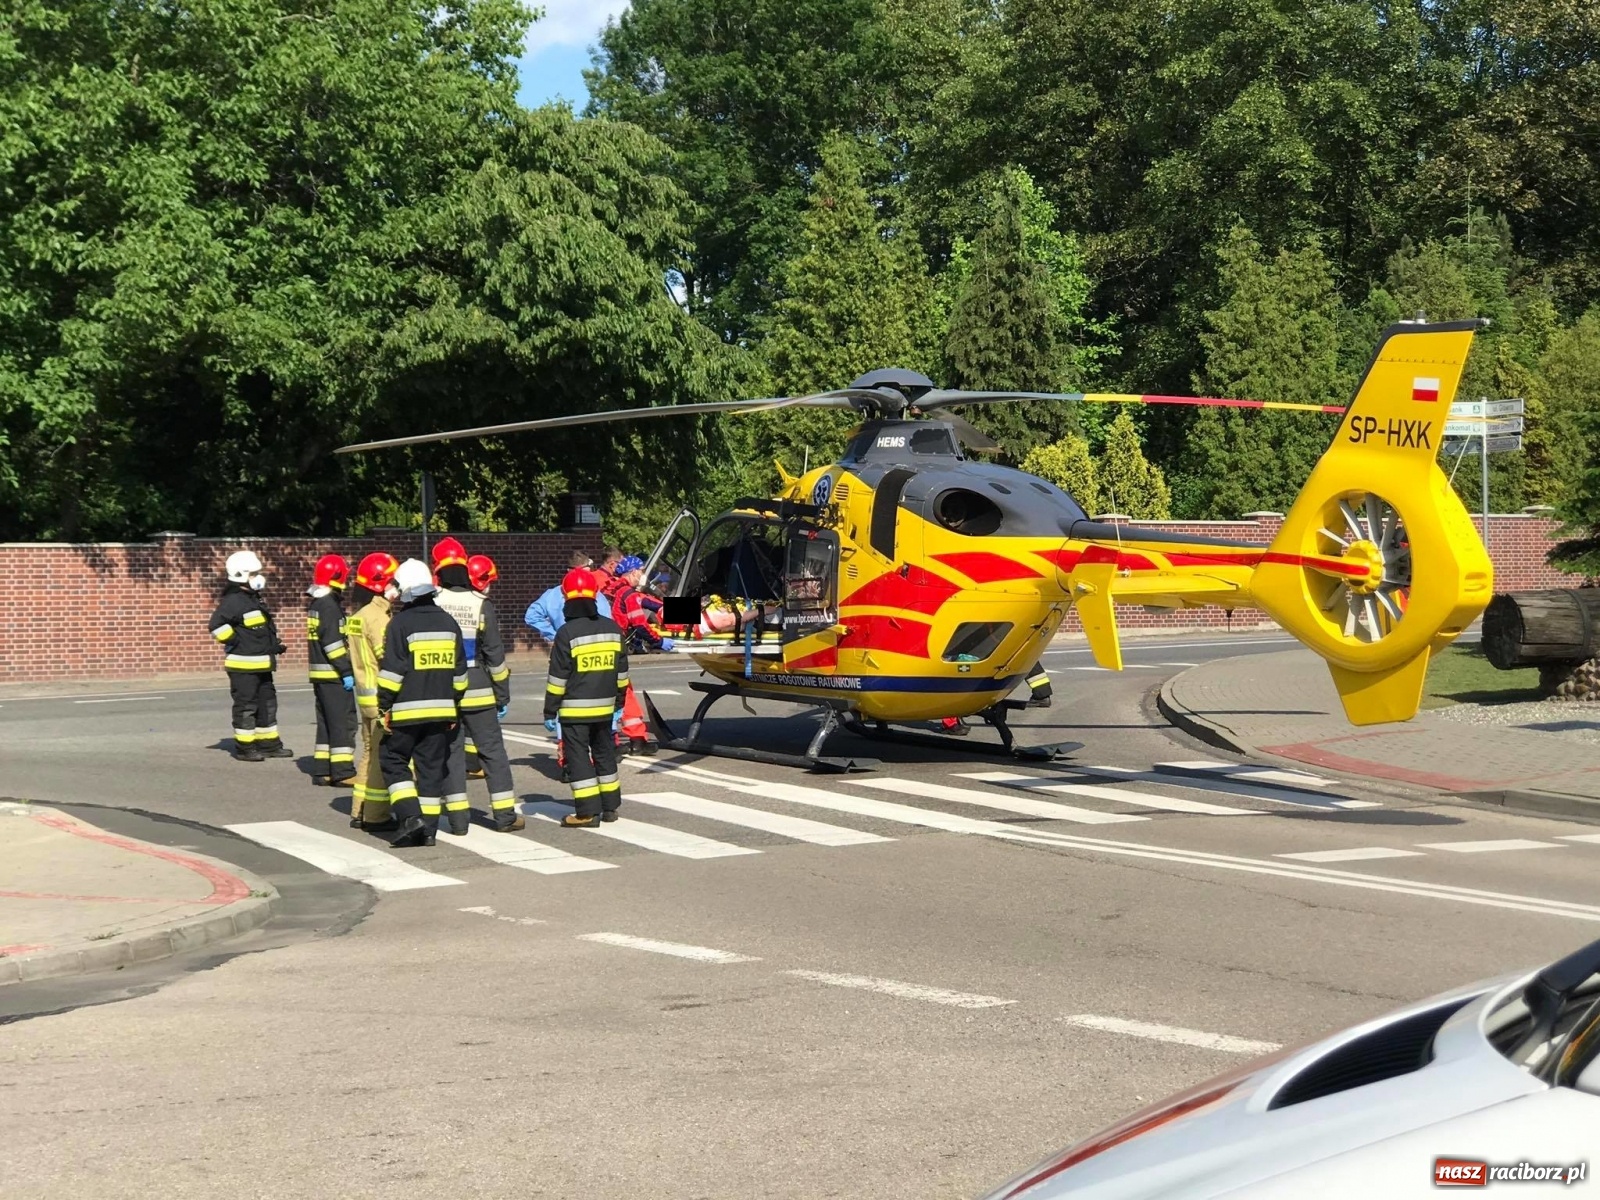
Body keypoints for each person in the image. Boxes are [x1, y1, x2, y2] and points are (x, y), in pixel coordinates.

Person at [377, 559, 468, 848]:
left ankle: (410, 816)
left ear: (405, 590)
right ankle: (428, 831)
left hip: (406, 711)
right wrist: (453, 705)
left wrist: (383, 705)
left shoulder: (399, 623)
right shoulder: (448, 622)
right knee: (431, 769)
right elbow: (460, 676)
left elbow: (392, 674)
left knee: (393, 760)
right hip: (442, 712)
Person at [432, 545, 523, 833]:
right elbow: (495, 656)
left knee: (451, 753)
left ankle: (458, 822)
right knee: (492, 753)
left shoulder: (433, 602)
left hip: (444, 690)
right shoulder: (481, 604)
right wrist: (502, 694)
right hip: (480, 689)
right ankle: (505, 816)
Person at [543, 567, 629, 827]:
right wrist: (619, 702)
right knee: (604, 752)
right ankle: (610, 806)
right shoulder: (613, 629)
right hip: (604, 709)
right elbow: (622, 674)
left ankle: (587, 812)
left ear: (567, 599)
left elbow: (558, 679)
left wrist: (550, 710)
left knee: (578, 757)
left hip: (574, 711)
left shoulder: (567, 633)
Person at [527, 551, 616, 780]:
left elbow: (531, 615)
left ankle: (568, 762)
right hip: (597, 661)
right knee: (599, 719)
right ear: (585, 569)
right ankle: (597, 765)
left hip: (564, 653)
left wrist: (555, 634)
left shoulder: (553, 595)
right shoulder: (597, 595)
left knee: (566, 711)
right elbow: (608, 624)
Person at [208, 550, 293, 761]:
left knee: (267, 705)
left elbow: (258, 630)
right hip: (243, 666)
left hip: (262, 664)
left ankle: (269, 744)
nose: (259, 577)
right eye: (254, 573)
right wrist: (237, 642)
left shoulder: (253, 599)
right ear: (241, 575)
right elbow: (216, 626)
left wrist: (274, 646)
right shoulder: (234, 601)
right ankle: (245, 748)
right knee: (247, 706)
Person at [346, 552, 401, 831]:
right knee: (381, 758)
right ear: (381, 584)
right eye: (393, 580)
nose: (397, 587)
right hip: (380, 696)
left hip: (364, 696)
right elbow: (387, 657)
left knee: (368, 754)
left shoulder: (357, 615)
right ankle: (376, 815)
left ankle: (359, 810)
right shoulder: (377, 617)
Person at [306, 553, 357, 786]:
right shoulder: (330, 607)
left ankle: (323, 769)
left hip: (320, 674)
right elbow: (334, 644)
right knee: (341, 722)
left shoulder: (317, 603)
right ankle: (343, 770)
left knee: (326, 722)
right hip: (333, 674)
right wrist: (346, 671)